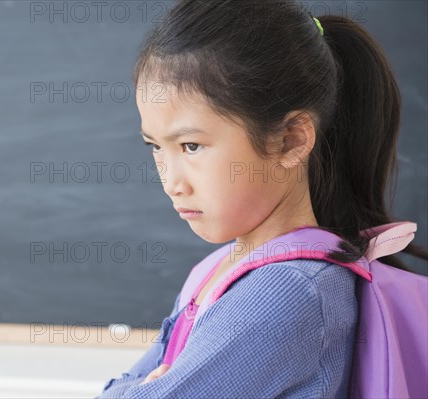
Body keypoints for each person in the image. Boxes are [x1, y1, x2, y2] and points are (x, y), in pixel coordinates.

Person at [96, 0, 428, 397]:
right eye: (155, 146)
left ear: (290, 140)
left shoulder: (290, 290)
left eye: (191, 146)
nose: (171, 182)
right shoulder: (216, 268)